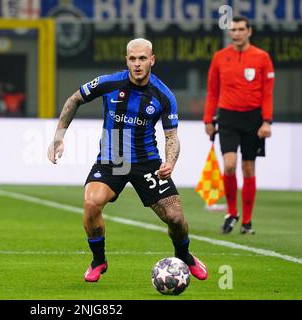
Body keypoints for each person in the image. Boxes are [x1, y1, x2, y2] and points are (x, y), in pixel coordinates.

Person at [47, 38, 208, 282]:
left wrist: (170, 162)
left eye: (142, 58)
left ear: (152, 60)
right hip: (112, 159)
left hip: (148, 162)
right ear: (126, 60)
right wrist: (58, 137)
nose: (137, 64)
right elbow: (74, 100)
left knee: (175, 218)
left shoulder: (163, 95)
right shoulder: (109, 82)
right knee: (91, 203)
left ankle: (184, 255)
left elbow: (172, 136)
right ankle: (99, 261)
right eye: (132, 59)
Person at [204, 16, 275, 235]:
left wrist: (267, 121)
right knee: (230, 165)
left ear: (249, 31)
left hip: (253, 120)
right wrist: (208, 119)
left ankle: (248, 222)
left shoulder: (262, 58)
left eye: (241, 29)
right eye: (233, 30)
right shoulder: (219, 57)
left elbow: (267, 93)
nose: (236, 33)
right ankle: (233, 213)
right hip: (227, 118)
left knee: (249, 168)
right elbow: (212, 91)